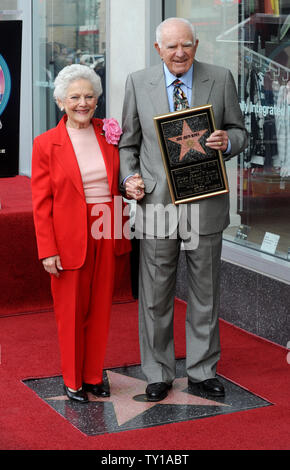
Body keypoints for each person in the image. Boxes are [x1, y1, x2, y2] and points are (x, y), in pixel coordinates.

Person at [119, 18, 248, 402]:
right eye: (171, 46)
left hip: (206, 204)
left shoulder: (220, 77)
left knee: (205, 293)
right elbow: (128, 144)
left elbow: (240, 131)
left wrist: (228, 141)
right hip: (157, 205)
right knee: (156, 295)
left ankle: (202, 370)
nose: (180, 53)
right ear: (158, 49)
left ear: (197, 45)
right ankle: (158, 372)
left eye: (186, 45)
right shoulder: (138, 83)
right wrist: (129, 179)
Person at [31, 64, 131, 403]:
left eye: (89, 96)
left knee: (101, 307)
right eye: (74, 97)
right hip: (68, 235)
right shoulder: (46, 144)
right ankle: (72, 378)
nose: (83, 103)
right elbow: (41, 202)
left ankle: (92, 375)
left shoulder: (111, 133)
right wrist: (47, 249)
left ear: (97, 99)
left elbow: (125, 173)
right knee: (71, 311)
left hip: (109, 227)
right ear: (60, 102)